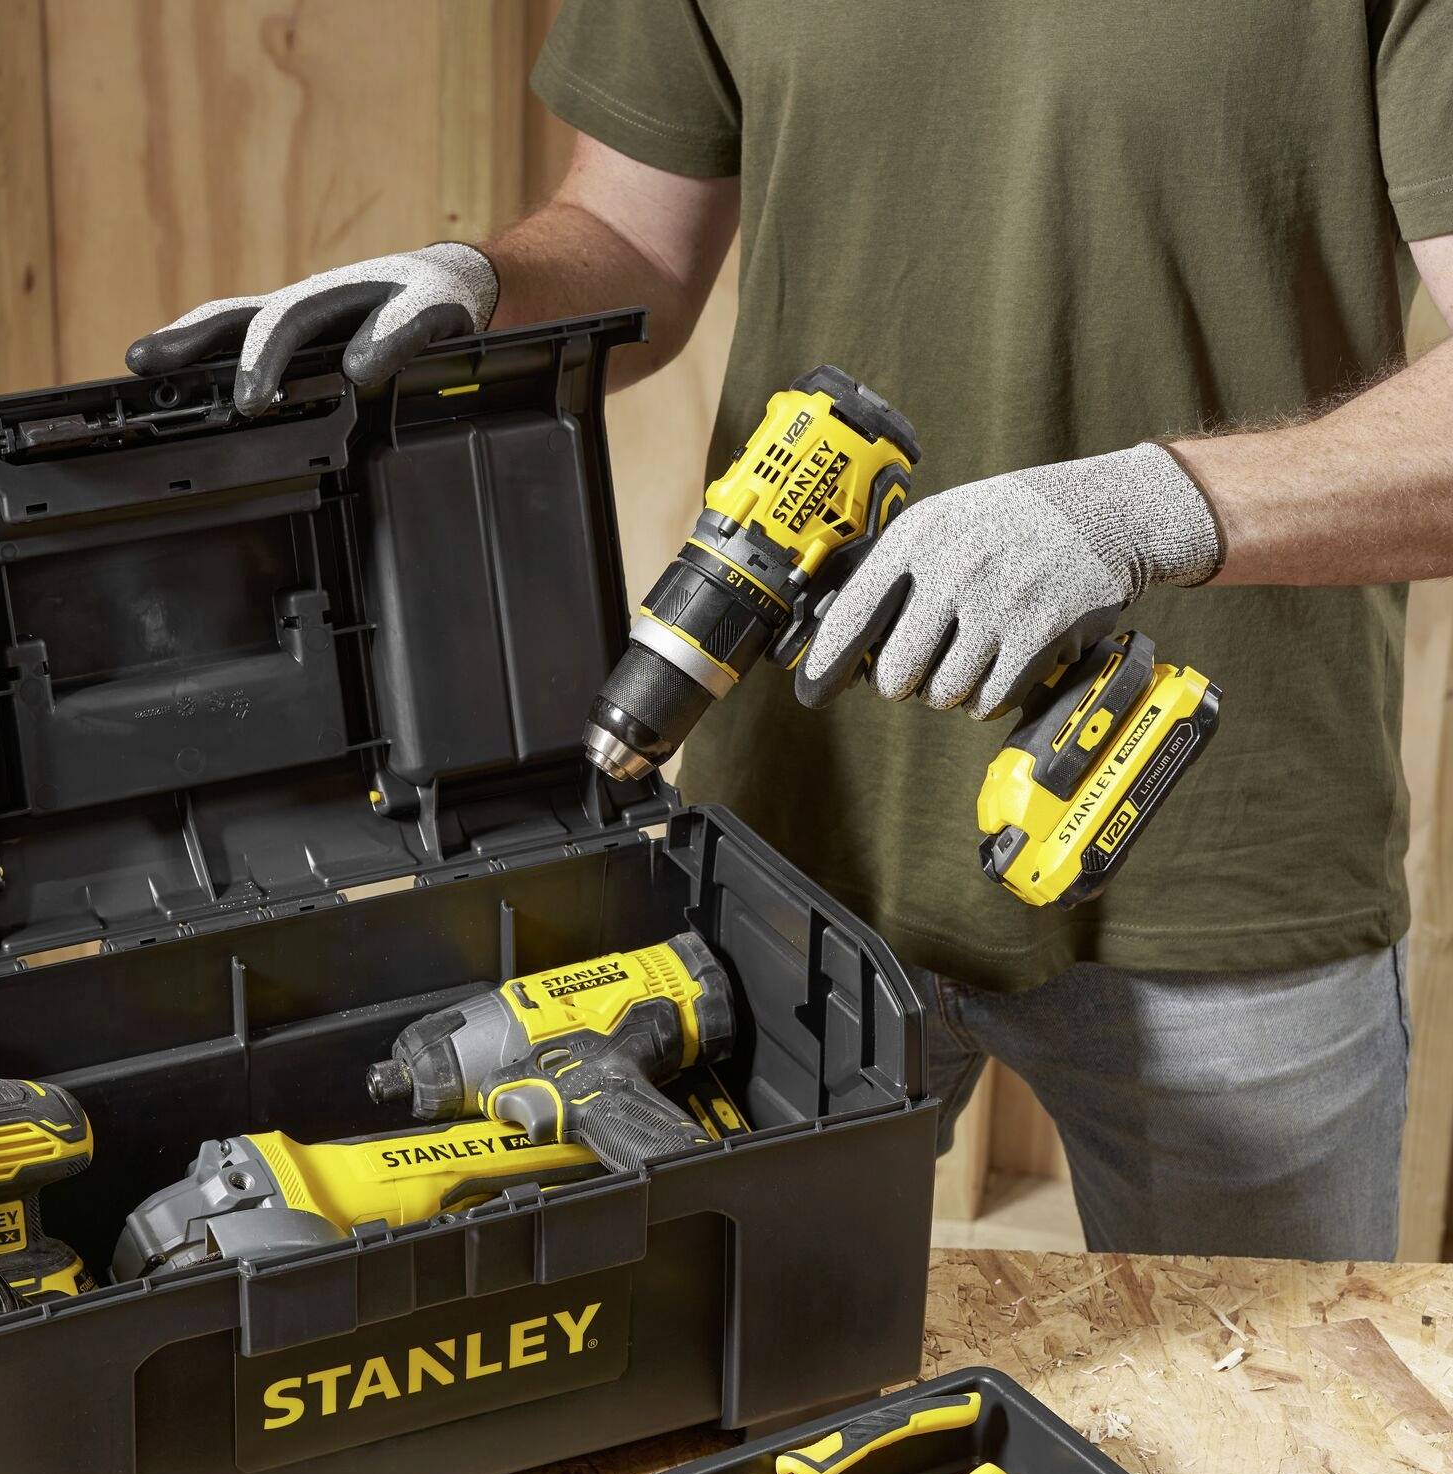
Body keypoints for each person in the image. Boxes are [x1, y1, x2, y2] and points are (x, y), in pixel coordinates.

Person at [128, 2, 1453, 1261]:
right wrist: (479, 289)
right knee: (730, 1416)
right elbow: (628, 243)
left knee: (1275, 1444)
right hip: (797, 844)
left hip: (1216, 846)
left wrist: (1145, 508)